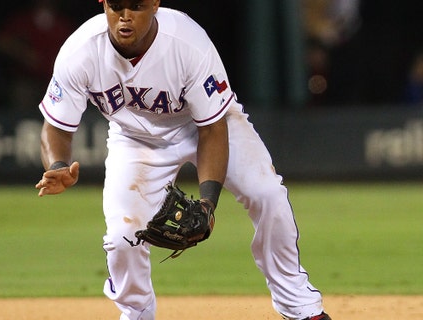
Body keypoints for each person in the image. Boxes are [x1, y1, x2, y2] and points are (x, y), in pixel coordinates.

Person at [34, 1, 331, 319]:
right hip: (135, 139)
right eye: (116, 5)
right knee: (121, 239)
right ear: (103, 4)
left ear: (155, 5)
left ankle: (299, 306)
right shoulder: (81, 50)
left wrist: (207, 204)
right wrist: (57, 165)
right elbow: (56, 128)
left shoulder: (187, 42)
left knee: (267, 194)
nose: (125, 15)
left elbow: (213, 130)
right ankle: (137, 312)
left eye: (137, 5)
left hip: (204, 125)